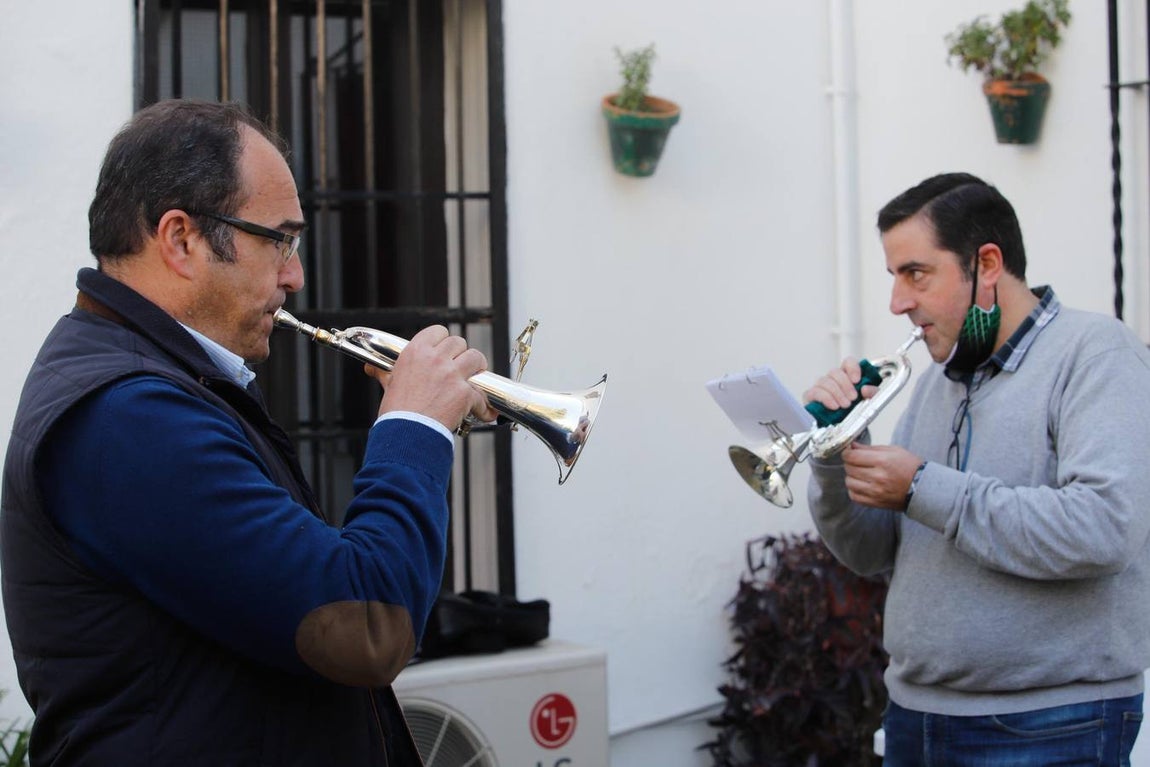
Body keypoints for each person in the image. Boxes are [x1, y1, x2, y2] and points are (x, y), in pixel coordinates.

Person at [0, 98, 497, 766]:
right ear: (180, 240)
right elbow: (366, 624)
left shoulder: (160, 386)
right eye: (280, 240)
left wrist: (426, 421)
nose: (294, 275)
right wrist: (413, 429)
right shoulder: (127, 417)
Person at [804, 172, 1150, 765]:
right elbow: (871, 552)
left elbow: (1104, 529)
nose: (898, 303)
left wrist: (919, 485)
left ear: (986, 264)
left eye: (916, 273)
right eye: (894, 277)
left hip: (1051, 723)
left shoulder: (1097, 354)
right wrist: (834, 457)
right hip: (917, 716)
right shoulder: (938, 380)